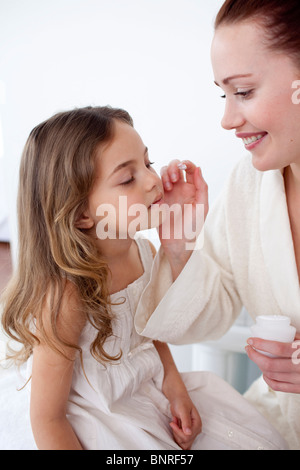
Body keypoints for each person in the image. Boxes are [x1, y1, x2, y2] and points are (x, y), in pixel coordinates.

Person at [0, 106, 287, 450]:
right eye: (127, 178)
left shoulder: (145, 252)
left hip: (142, 392)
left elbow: (151, 329)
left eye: (148, 163)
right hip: (99, 415)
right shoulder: (68, 294)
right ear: (81, 214)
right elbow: (47, 417)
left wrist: (173, 383)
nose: (153, 180)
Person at [134, 0, 300, 450]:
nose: (227, 119)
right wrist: (179, 247)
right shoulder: (251, 186)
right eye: (222, 94)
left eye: (243, 92)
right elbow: (212, 311)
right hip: (281, 424)